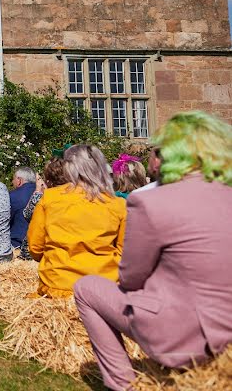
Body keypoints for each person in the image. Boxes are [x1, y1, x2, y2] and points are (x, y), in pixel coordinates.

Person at [74, 112, 232, 391]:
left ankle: (123, 385)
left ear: (172, 154)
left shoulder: (152, 202)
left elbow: (132, 278)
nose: (151, 158)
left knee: (86, 288)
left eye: (156, 151)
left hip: (189, 339)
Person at [27, 145, 126, 298]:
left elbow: (35, 247)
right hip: (104, 288)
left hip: (58, 286)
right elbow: (125, 253)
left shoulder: (49, 198)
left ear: (68, 168)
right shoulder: (118, 204)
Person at [19, 158, 68, 260]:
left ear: (48, 179)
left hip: (43, 253)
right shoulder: (76, 195)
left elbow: (27, 215)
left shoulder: (45, 197)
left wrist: (37, 191)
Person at [8, 166, 37, 252]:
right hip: (38, 244)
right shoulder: (44, 193)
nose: (12, 182)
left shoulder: (12, 196)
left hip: (17, 244)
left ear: (19, 180)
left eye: (13, 179)